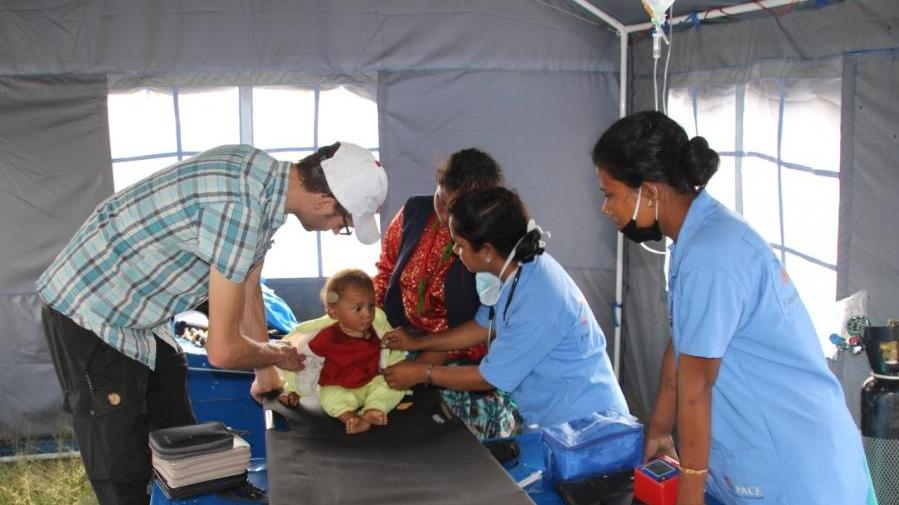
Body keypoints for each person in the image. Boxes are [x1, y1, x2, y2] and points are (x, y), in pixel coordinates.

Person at [37, 142, 387, 504]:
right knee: (122, 461)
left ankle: (199, 489)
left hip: (138, 310)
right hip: (92, 308)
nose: (333, 231)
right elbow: (222, 350)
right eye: (342, 224)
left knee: (176, 420)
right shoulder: (241, 210)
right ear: (325, 203)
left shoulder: (262, 180)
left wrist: (265, 372)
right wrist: (277, 355)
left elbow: (250, 286)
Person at [592, 110, 873, 505]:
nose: (606, 208)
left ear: (649, 192)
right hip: (779, 450)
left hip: (796, 470)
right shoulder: (699, 236)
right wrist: (658, 427)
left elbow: (696, 388)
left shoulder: (711, 256)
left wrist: (688, 496)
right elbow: (684, 341)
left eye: (609, 194)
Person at [381, 187, 629, 429]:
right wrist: (416, 344)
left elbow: (487, 377)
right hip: (558, 416)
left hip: (587, 424)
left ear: (487, 250)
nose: (455, 252)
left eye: (459, 245)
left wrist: (423, 373)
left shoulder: (538, 300)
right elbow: (482, 326)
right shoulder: (521, 268)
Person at [374, 148, 518, 438]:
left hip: (464, 357)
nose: (443, 214)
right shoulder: (412, 213)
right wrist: (375, 325)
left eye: (454, 208)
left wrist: (427, 361)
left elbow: (488, 326)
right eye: (440, 198)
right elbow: (385, 270)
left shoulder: (489, 243)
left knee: (447, 441)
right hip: (403, 340)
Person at [279, 269, 405, 434]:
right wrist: (292, 390)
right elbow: (301, 363)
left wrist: (397, 370)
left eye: (371, 305)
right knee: (329, 396)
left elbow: (393, 354)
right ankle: (350, 418)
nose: (368, 314)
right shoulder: (324, 337)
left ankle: (372, 410)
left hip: (371, 381)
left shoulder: (378, 329)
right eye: (358, 308)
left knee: (394, 387)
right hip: (339, 386)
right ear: (334, 312)